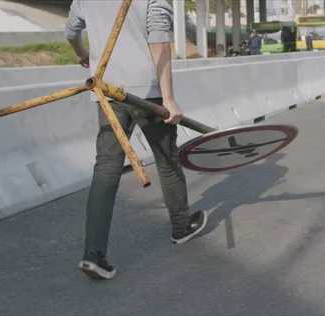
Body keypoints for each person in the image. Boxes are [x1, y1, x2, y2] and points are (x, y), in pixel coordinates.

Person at [64, 0, 208, 280]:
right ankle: (181, 228)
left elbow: (71, 32)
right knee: (166, 159)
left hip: (106, 90)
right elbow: (160, 43)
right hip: (147, 92)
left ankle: (93, 253)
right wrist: (168, 99)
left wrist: (82, 54)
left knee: (105, 168)